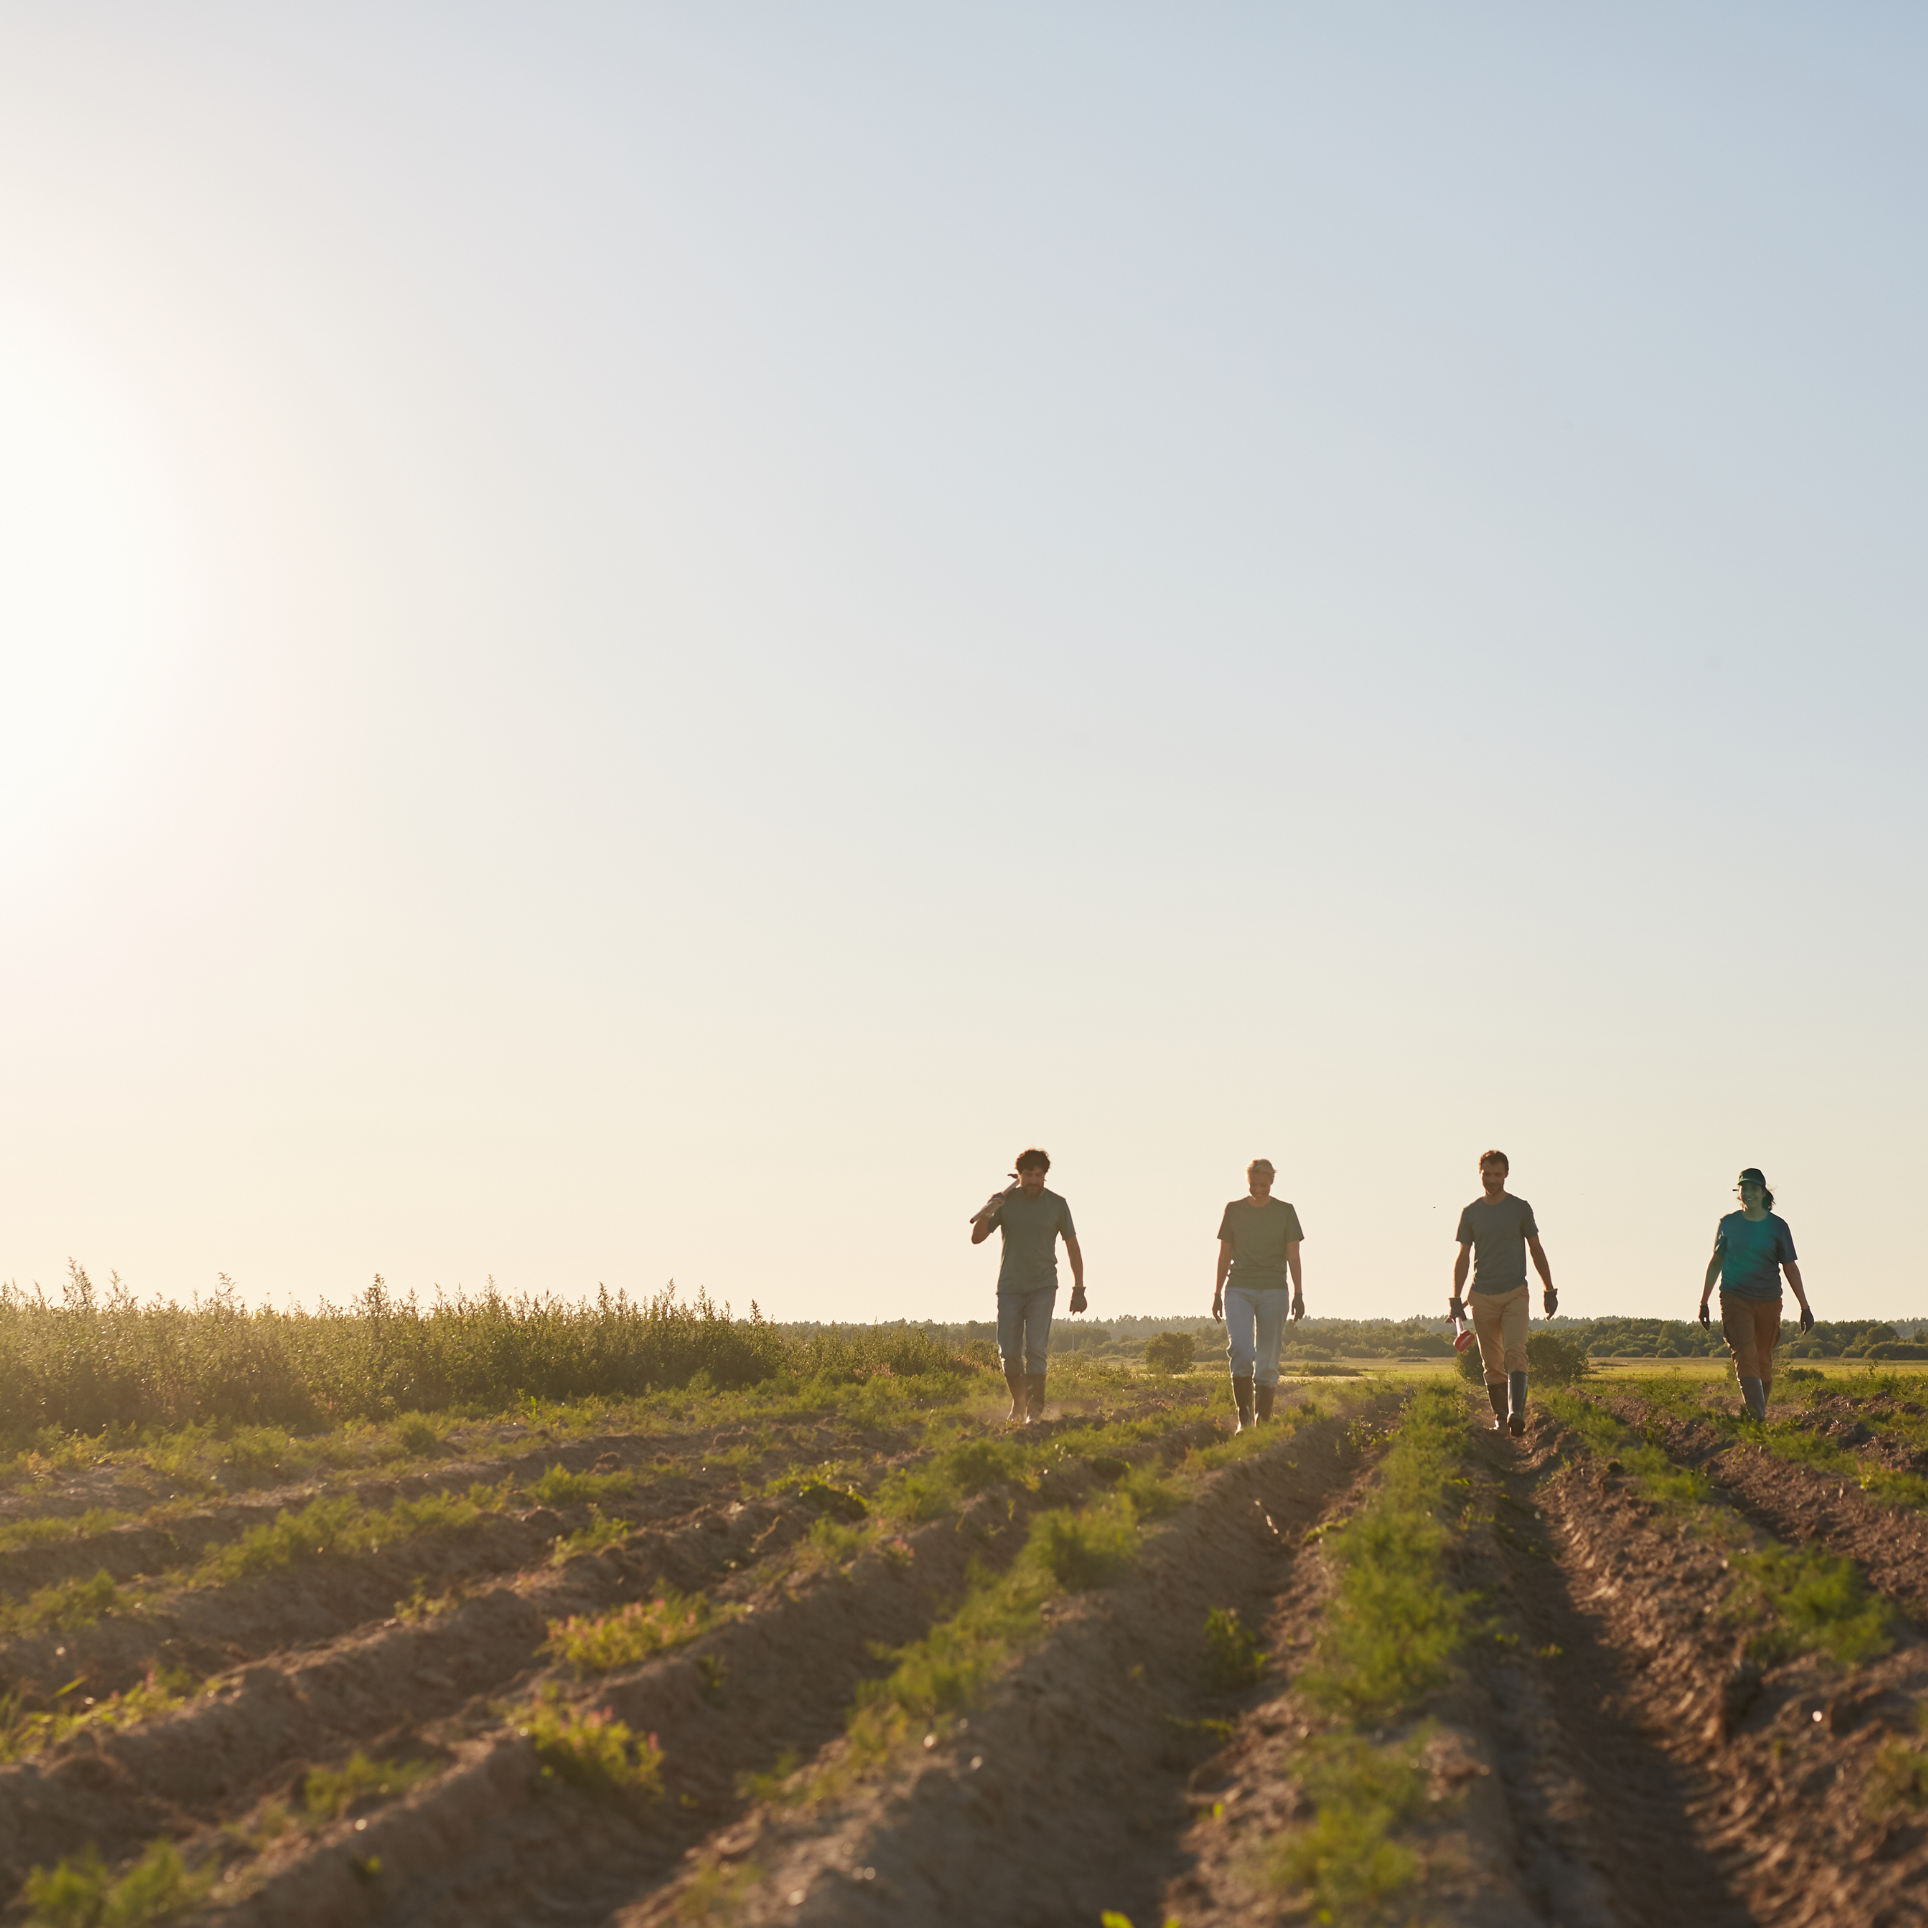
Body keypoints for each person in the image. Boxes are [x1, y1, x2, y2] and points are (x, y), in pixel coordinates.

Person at [969, 1148, 1085, 1423]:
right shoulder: (1004, 1202)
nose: (1033, 1180)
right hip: (1009, 1287)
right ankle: (1018, 1403)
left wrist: (1079, 1287)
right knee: (1008, 1352)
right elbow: (976, 1237)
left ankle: (1034, 1411)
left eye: (1038, 1175)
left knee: (1035, 1349)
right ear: (1018, 1176)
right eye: (1028, 1175)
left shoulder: (1057, 1204)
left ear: (1045, 1176)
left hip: (1043, 1286)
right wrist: (989, 1210)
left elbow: (1072, 1246)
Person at [1450, 1149, 1556, 1436]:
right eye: (1488, 1174)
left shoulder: (1520, 1209)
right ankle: (1500, 1416)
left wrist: (1549, 1289)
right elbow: (1462, 1257)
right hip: (1481, 1296)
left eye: (1498, 1174)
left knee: (1515, 1352)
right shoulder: (1471, 1213)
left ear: (1506, 1174)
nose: (1493, 1179)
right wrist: (1455, 1298)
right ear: (1480, 1173)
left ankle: (1516, 1413)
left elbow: (1535, 1249)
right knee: (1492, 1363)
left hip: (1515, 1293)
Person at [1699, 1167, 1813, 1421]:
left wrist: (1804, 1306)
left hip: (1769, 1299)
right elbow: (1716, 1261)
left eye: (1754, 1188)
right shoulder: (1728, 1224)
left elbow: (1790, 1267)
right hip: (1734, 1295)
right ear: (1738, 1193)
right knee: (1745, 1352)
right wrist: (1703, 1301)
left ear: (1763, 1193)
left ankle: (1757, 1414)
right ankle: (1756, 1417)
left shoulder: (1778, 1227)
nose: (1748, 1193)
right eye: (1744, 1188)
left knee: (1763, 1356)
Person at [1211, 1159, 1305, 1432]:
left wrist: (1298, 1293)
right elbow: (1224, 1254)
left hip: (1274, 1290)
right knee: (1240, 1349)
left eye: (1264, 1185)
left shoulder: (1285, 1211)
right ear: (1247, 1182)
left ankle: (1262, 1421)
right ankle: (1244, 1419)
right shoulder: (1233, 1210)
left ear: (1272, 1183)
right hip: (1238, 1288)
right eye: (1254, 1184)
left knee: (1267, 1357)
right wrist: (1216, 1293)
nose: (1259, 1189)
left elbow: (1293, 1256)